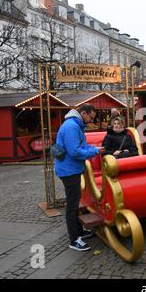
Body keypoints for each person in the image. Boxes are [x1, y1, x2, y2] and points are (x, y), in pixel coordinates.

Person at [54, 104, 105, 251]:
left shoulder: (75, 125)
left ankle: (79, 232)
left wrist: (95, 149)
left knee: (75, 203)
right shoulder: (72, 127)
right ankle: (74, 239)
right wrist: (94, 151)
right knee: (72, 205)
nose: (91, 120)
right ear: (83, 113)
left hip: (70, 168)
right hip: (69, 171)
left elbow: (80, 148)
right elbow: (75, 152)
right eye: (90, 117)